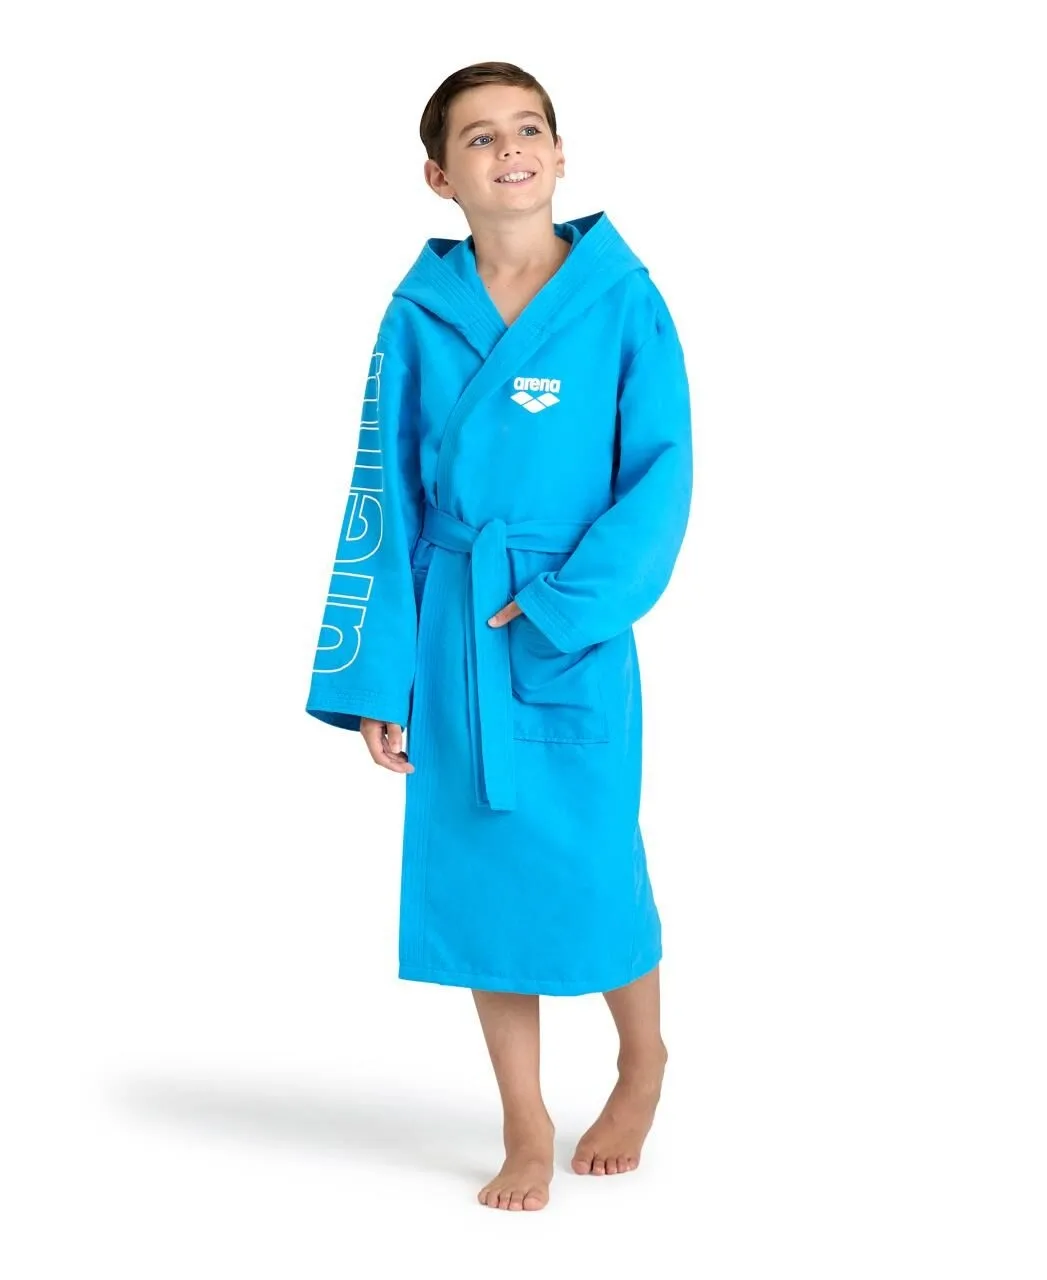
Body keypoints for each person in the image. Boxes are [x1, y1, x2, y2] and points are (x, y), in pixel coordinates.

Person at [305, 61, 693, 1212]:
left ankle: (642, 1056)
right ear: (440, 176)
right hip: (455, 627)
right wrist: (383, 674)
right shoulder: (417, 313)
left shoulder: (620, 298)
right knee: (480, 872)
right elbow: (384, 489)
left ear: (561, 156)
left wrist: (569, 602)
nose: (509, 148)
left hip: (570, 623)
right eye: (479, 137)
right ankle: (525, 1119)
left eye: (529, 128)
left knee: (596, 853)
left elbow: (662, 472)